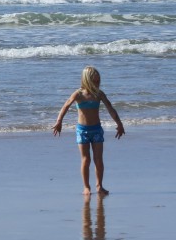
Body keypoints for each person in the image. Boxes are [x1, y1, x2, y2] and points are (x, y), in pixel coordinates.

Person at [52, 66, 125, 195]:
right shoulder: (78, 94)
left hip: (96, 130)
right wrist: (59, 121)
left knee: (98, 159)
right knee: (86, 159)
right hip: (82, 131)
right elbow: (66, 106)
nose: (97, 83)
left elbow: (110, 109)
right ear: (87, 80)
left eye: (98, 81)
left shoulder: (99, 94)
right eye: (95, 81)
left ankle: (99, 185)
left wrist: (119, 123)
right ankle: (86, 186)